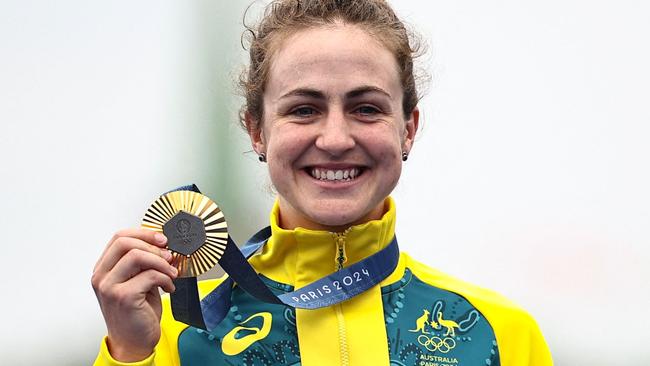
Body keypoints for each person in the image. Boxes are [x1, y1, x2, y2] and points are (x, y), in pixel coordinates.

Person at [92, 1, 553, 365]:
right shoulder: (181, 338)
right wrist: (131, 355)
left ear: (408, 128)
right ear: (257, 130)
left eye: (366, 108)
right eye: (304, 109)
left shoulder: (497, 334)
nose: (335, 139)